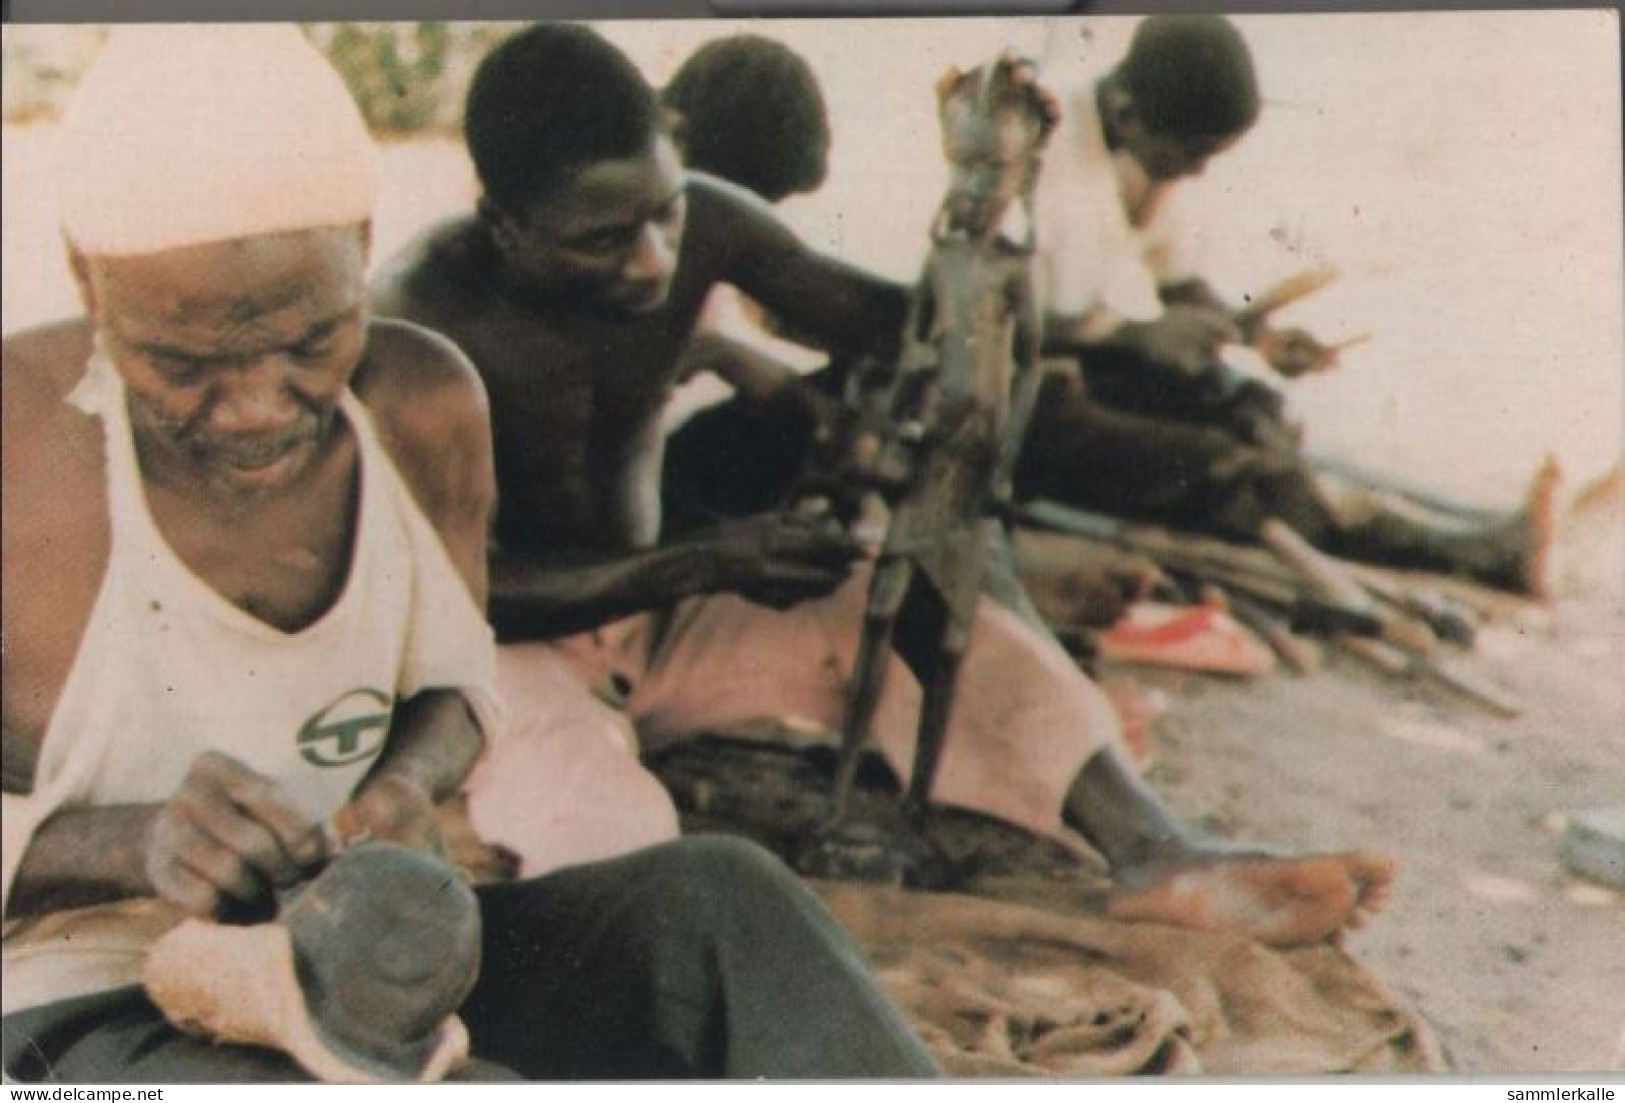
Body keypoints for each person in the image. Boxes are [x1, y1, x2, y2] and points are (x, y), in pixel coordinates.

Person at [0, 26, 940, 1081]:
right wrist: (122, 842)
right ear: (88, 279)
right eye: (182, 364)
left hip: (362, 958)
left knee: (728, 905)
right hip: (68, 1010)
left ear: (360, 245)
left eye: (313, 342)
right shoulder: (15, 445)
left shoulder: (421, 402)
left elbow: (452, 680)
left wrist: (405, 785)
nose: (260, 410)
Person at [373, 22, 1395, 948]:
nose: (651, 260)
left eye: (664, 212)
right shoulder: (423, 327)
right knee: (623, 851)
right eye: (602, 238)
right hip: (491, 664)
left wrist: (988, 203)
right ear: (501, 222)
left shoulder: (707, 225)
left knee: (923, 615)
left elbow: (927, 330)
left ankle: (1158, 852)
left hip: (650, 613)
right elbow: (462, 602)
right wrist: (704, 559)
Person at [1028, 13, 1556, 595]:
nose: (1199, 172)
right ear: (1129, 114)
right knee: (1223, 465)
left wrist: (1258, 338)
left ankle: (1438, 539)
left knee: (1255, 413)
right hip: (1023, 406)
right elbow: (966, 326)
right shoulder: (1034, 157)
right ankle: (1458, 553)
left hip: (1089, 374)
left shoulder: (1143, 145)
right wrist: (1126, 337)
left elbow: (1179, 286)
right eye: (1192, 154)